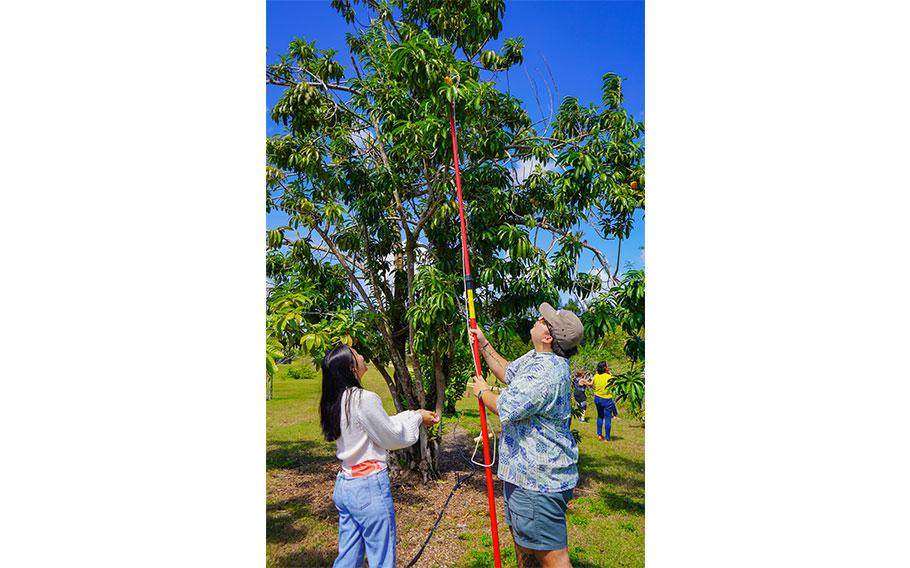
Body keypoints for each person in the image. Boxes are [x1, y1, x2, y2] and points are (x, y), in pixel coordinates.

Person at [469, 302, 584, 568]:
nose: (538, 319)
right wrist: (484, 344)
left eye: (544, 321)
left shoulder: (545, 373)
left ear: (548, 337)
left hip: (538, 481)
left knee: (552, 556)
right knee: (525, 545)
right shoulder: (538, 359)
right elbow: (508, 372)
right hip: (522, 476)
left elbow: (505, 407)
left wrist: (482, 391)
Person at [320, 344, 440, 568]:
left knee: (348, 557)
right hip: (368, 488)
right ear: (352, 368)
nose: (362, 355)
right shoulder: (363, 399)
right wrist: (417, 419)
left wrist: (414, 415)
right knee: (381, 558)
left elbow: (380, 426)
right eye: (356, 354)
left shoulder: (338, 400)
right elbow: (391, 436)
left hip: (346, 485)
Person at [592, 361, 619, 441]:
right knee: (607, 418)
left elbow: (592, 384)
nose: (608, 367)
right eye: (607, 366)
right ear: (605, 368)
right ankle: (607, 438)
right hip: (607, 399)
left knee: (600, 416)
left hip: (597, 398)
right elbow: (615, 384)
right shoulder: (609, 377)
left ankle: (599, 435)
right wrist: (609, 373)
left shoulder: (596, 376)